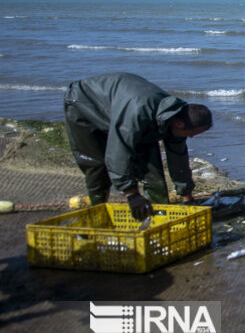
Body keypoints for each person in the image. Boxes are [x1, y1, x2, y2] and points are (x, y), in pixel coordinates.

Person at [63, 72, 212, 221]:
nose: (191, 137)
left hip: (122, 106)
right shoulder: (138, 114)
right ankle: (98, 216)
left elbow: (178, 159)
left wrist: (187, 196)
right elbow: (118, 153)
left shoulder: (176, 120)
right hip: (84, 103)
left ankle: (159, 220)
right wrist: (132, 194)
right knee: (97, 166)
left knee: (153, 173)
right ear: (180, 124)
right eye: (192, 133)